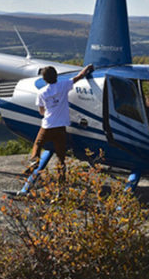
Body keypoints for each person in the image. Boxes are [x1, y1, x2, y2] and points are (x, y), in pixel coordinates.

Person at [19, 63, 94, 194]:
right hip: (61, 127)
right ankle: (61, 186)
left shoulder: (42, 92)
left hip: (48, 125)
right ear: (56, 76)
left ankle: (34, 161)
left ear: (45, 79)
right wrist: (88, 68)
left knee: (38, 144)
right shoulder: (63, 85)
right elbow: (79, 76)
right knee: (61, 158)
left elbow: (41, 111)